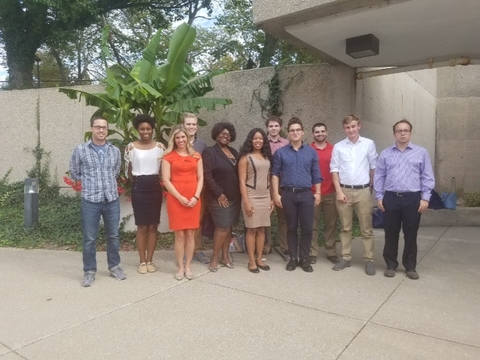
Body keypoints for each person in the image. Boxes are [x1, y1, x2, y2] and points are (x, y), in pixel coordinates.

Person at [374, 119, 435, 280]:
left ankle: (410, 266)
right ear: (394, 133)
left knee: (411, 234)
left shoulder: (421, 152)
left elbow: (427, 177)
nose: (402, 133)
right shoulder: (386, 153)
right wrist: (379, 196)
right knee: (390, 233)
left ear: (410, 133)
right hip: (391, 198)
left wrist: (425, 198)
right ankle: (391, 264)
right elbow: (379, 176)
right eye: (399, 131)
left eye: (405, 130)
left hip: (413, 199)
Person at [70, 113, 125, 287]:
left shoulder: (115, 151)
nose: (101, 130)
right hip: (90, 200)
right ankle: (89, 271)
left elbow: (116, 171)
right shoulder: (80, 150)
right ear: (91, 128)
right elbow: (74, 172)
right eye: (98, 127)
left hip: (111, 199)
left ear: (107, 130)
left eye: (104, 127)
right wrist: (90, 184)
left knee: (114, 236)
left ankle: (114, 266)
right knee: (89, 238)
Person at [272, 117, 322, 272]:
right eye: (292, 130)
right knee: (291, 227)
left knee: (307, 228)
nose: (295, 133)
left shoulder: (311, 152)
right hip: (288, 194)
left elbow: (316, 173)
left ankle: (304, 258)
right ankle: (293, 258)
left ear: (303, 132)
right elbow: (274, 174)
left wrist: (318, 192)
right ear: (288, 132)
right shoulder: (280, 153)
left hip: (307, 194)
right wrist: (276, 194)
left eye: (297, 130)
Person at [330, 114, 378, 275]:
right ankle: (346, 257)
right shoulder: (338, 147)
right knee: (345, 228)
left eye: (353, 126)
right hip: (344, 191)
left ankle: (369, 260)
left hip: (363, 190)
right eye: (347, 127)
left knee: (366, 228)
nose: (350, 129)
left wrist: (370, 187)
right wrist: (338, 191)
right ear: (344, 129)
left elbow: (374, 167)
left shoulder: (368, 144)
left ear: (359, 126)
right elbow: (334, 170)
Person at [162, 126, 204, 280]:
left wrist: (196, 197)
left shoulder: (197, 156)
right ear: (173, 139)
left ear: (188, 138)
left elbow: (201, 178)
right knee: (179, 235)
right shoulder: (168, 157)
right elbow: (166, 180)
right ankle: (180, 267)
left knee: (191, 234)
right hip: (176, 199)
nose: (180, 140)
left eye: (183, 137)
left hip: (193, 199)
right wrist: (179, 197)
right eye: (177, 138)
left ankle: (188, 266)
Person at [124, 114, 164, 274]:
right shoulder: (131, 147)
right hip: (139, 188)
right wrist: (138, 182)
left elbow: (163, 170)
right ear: (137, 130)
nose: (145, 131)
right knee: (141, 226)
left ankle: (150, 260)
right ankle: (142, 261)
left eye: (148, 128)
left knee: (153, 225)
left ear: (152, 129)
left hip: (155, 188)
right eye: (142, 129)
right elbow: (128, 171)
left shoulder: (160, 147)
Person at [202, 122, 240, 272]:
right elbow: (207, 175)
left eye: (228, 134)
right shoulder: (210, 152)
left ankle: (225, 256)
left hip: (234, 197)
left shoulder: (234, 152)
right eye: (222, 134)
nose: (225, 136)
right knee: (222, 227)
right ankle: (214, 258)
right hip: (218, 197)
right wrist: (219, 193)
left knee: (228, 227)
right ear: (216, 134)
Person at [238, 128, 273, 273]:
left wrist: (271, 198)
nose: (258, 141)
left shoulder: (266, 157)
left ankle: (259, 258)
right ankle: (251, 260)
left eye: (260, 138)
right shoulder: (245, 158)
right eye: (255, 138)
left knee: (262, 229)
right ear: (250, 141)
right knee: (252, 229)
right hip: (251, 196)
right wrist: (246, 202)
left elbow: (270, 178)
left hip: (265, 197)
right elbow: (241, 181)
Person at [309, 123, 339, 265]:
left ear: (326, 132)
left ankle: (331, 251)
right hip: (313, 193)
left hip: (331, 192)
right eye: (317, 132)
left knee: (330, 224)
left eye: (322, 131)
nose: (320, 134)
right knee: (312, 224)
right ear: (313, 134)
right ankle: (312, 251)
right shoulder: (308, 150)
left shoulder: (334, 149)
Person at [183, 113, 209, 264]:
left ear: (197, 126)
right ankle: (185, 250)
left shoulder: (202, 145)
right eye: (188, 124)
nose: (191, 127)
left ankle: (197, 250)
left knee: (197, 220)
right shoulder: (177, 142)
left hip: (198, 188)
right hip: (182, 188)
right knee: (183, 220)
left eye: (193, 124)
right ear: (183, 125)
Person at [264, 115, 289, 259]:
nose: (273, 129)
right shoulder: (261, 142)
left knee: (283, 217)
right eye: (271, 126)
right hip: (266, 184)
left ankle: (284, 245)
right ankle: (266, 246)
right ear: (267, 128)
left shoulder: (286, 143)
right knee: (266, 216)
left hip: (282, 184)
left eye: (276, 126)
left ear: (280, 127)